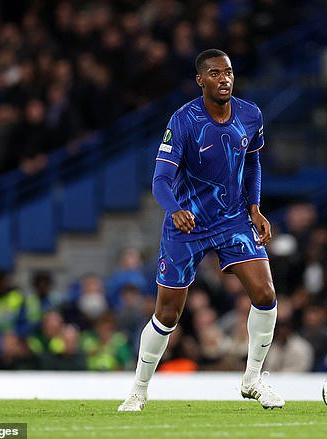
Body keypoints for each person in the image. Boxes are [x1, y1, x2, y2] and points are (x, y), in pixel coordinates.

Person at [118, 49, 283, 411]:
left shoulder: (250, 114)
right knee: (167, 315)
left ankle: (253, 379)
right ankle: (138, 389)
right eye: (214, 73)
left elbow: (253, 162)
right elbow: (161, 180)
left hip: (233, 219)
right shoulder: (184, 121)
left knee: (266, 293)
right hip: (188, 223)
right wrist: (175, 209)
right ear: (200, 80)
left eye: (228, 72)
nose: (223, 78)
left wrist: (254, 208)